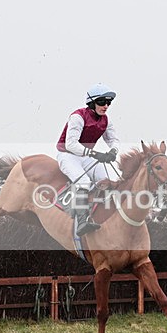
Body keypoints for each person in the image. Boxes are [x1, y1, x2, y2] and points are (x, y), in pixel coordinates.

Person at [56, 82, 121, 235]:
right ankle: (82, 222)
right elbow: (70, 144)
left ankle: (107, 216)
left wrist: (113, 151)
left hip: (84, 156)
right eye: (102, 102)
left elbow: (114, 140)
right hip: (67, 155)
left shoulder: (106, 120)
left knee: (109, 180)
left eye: (108, 102)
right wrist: (95, 154)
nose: (106, 106)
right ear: (92, 103)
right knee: (84, 182)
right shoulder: (78, 116)